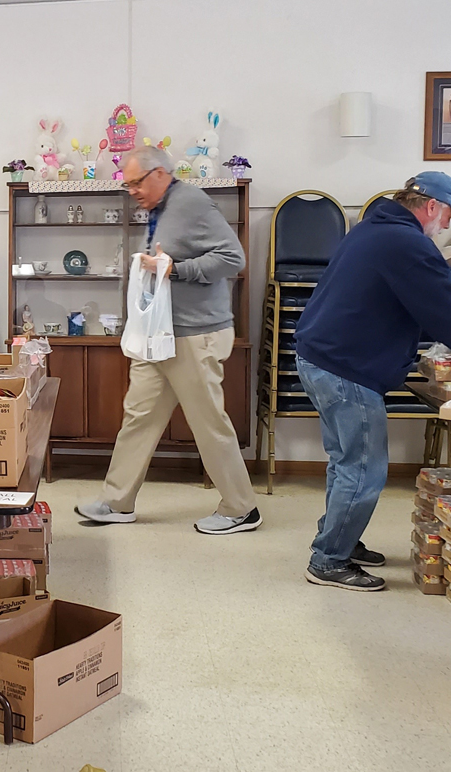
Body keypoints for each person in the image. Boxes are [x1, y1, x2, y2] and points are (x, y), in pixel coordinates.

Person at [75, 145, 262, 535]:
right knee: (138, 417)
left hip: (195, 333)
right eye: (127, 186)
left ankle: (241, 508)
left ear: (160, 173)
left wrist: (177, 269)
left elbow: (233, 258)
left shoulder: (192, 202)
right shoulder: (161, 209)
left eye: (136, 183)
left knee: (208, 423)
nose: (133, 192)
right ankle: (117, 502)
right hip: (159, 333)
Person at [295, 172, 451, 591]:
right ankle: (328, 560)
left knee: (345, 462)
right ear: (431, 206)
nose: (447, 226)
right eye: (449, 215)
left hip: (321, 357)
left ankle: (341, 539)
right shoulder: (407, 243)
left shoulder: (374, 227)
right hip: (345, 368)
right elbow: (449, 316)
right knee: (363, 469)